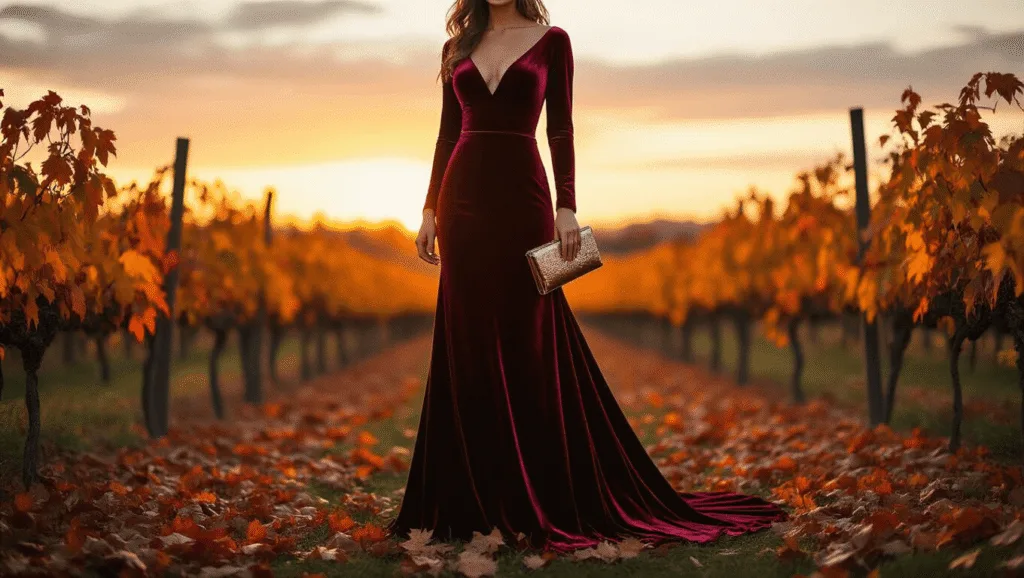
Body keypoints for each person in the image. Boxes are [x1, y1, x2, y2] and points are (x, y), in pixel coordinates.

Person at [388, 0, 788, 553]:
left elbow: (561, 128)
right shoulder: (456, 47)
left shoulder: (553, 41)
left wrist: (567, 206)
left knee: (529, 340)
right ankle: (469, 496)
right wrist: (430, 209)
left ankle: (539, 491)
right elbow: (446, 135)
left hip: (525, 197)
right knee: (468, 341)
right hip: (464, 203)